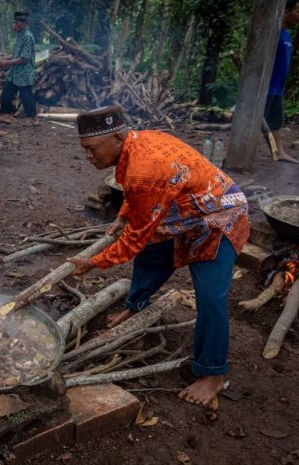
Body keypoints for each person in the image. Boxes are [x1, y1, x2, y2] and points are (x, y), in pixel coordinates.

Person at [67, 105, 250, 408]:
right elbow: (138, 194)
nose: (88, 156)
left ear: (116, 137)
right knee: (154, 252)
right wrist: (126, 215)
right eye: (84, 149)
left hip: (221, 214)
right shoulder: (136, 142)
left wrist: (94, 262)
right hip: (188, 208)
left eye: (91, 149)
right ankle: (136, 304)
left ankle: (212, 373)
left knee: (211, 296)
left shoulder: (144, 168)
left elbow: (133, 240)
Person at [265, 0, 299, 164]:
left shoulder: (286, 34)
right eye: (298, 12)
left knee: (276, 122)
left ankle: (278, 152)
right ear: (286, 12)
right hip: (266, 88)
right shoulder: (274, 33)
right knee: (255, 123)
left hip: (277, 88)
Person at [0, 11, 37, 126]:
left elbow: (24, 59)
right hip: (15, 72)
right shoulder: (19, 35)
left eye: (16, 22)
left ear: (23, 24)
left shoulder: (28, 37)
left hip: (24, 73)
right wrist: (7, 59)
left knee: (26, 96)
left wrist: (6, 62)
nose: (13, 25)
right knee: (7, 92)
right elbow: (18, 55)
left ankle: (33, 118)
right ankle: (5, 116)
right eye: (14, 22)